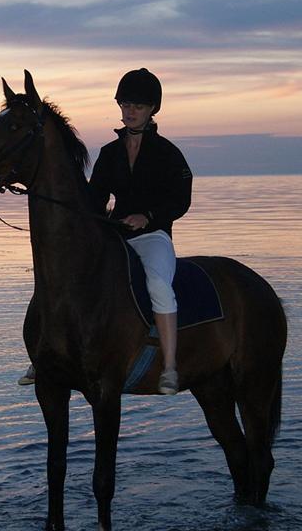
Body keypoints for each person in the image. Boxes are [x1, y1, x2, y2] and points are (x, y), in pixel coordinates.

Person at [19, 68, 193, 395]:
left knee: (158, 284)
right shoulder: (109, 153)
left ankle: (169, 366)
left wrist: (149, 216)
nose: (129, 112)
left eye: (137, 107)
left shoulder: (169, 154)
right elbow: (95, 198)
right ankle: (44, 354)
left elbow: (180, 200)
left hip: (153, 236)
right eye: (125, 105)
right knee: (65, 279)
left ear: (152, 109)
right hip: (115, 234)